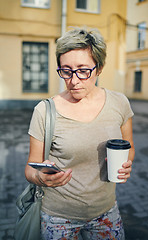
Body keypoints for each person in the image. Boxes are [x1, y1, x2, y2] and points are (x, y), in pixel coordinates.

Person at [25, 27, 135, 240]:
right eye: (66, 70)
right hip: (58, 218)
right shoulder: (45, 111)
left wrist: (127, 164)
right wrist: (40, 177)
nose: (74, 80)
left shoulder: (119, 103)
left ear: (99, 68)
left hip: (106, 213)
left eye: (83, 70)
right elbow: (30, 167)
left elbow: (129, 146)